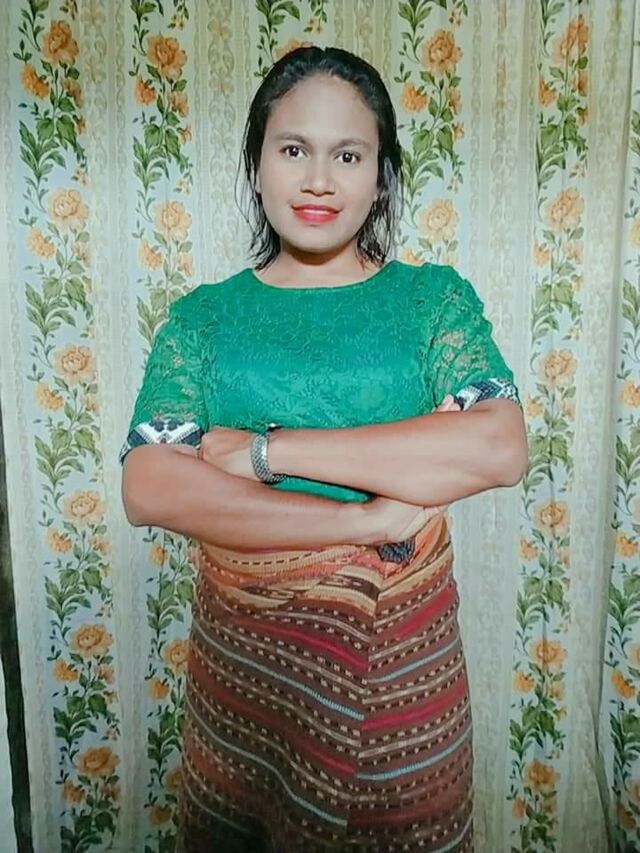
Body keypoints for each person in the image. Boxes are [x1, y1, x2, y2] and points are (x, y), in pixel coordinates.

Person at [121, 46, 527, 853]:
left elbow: (497, 445)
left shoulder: (430, 301)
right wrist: (365, 521)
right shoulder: (203, 319)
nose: (318, 180)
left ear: (380, 177)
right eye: (293, 149)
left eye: (348, 155)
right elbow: (151, 487)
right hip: (246, 689)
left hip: (401, 692)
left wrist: (269, 452)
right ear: (256, 166)